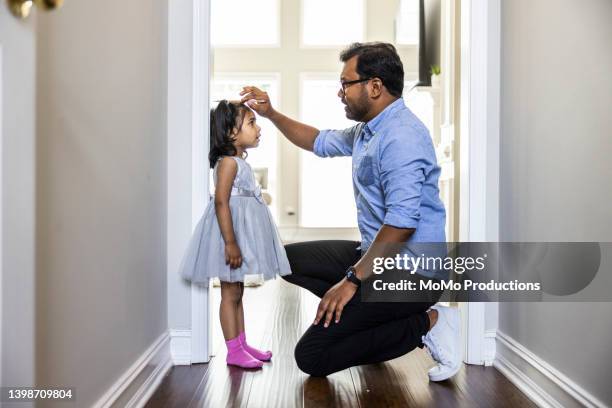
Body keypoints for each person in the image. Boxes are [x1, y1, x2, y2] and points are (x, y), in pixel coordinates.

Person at [240, 42, 461, 381]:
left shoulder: (402, 137)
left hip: (415, 276)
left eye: (346, 83)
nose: (340, 92)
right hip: (378, 258)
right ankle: (370, 320)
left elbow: (402, 224)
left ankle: (428, 321)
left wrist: (351, 280)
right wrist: (270, 113)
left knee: (311, 356)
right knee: (283, 260)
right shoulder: (368, 130)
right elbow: (318, 140)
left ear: (375, 86)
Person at [178, 100, 292, 369]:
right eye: (251, 123)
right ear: (231, 132)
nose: (258, 128)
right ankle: (233, 350)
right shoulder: (228, 163)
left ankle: (242, 344)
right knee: (229, 294)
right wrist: (230, 243)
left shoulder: (239, 162)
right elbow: (221, 202)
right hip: (228, 237)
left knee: (237, 291)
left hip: (238, 235)